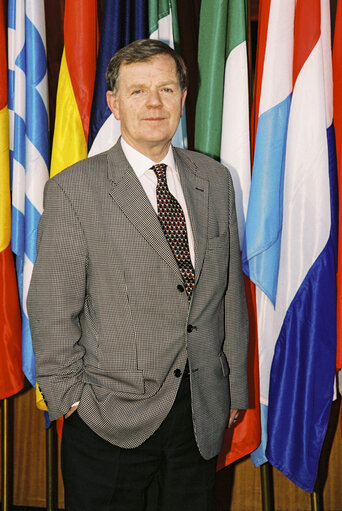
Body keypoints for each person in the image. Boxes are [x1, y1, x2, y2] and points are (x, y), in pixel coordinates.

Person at [27, 39, 249, 511]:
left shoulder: (216, 180)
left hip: (200, 415)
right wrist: (70, 397)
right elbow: (50, 305)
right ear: (114, 102)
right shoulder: (74, 189)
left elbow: (227, 294)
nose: (154, 103)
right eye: (138, 91)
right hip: (109, 418)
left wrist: (233, 387)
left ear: (183, 97)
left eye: (166, 88)